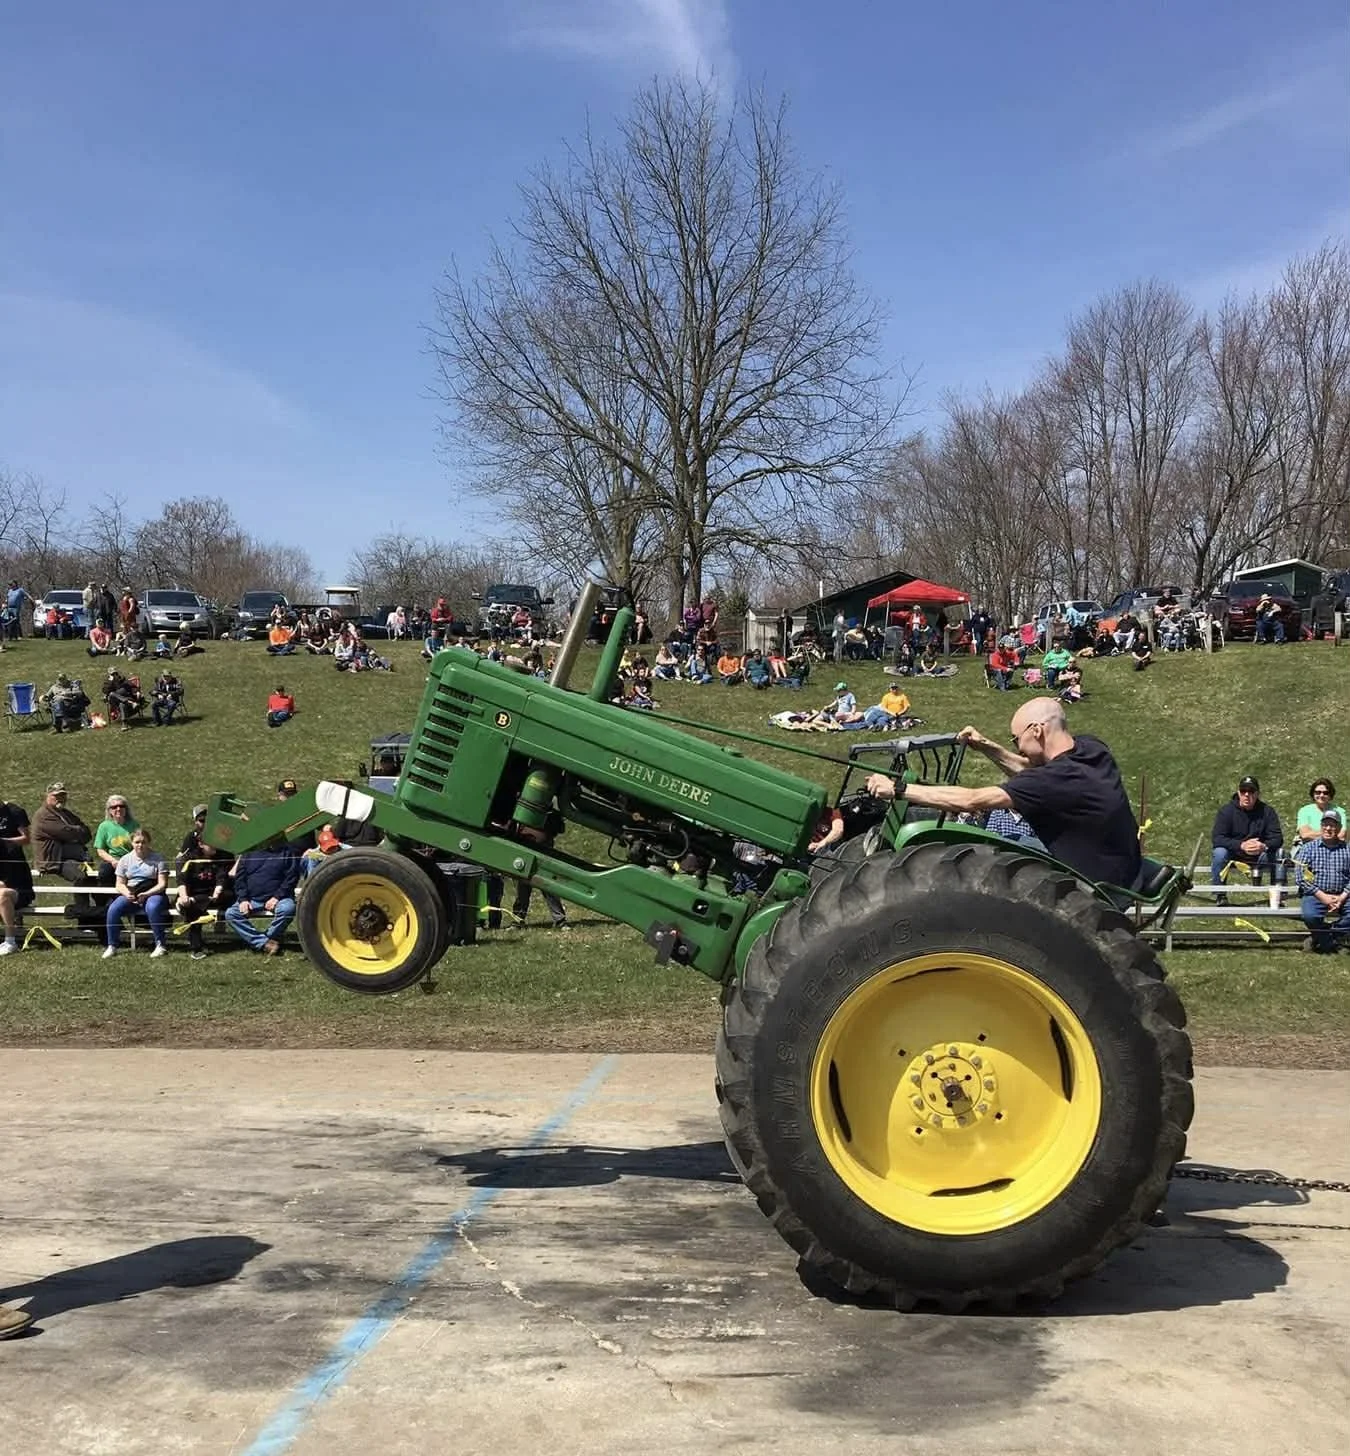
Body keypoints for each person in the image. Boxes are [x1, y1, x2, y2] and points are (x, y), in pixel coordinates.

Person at [866, 697, 1142, 888]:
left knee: (979, 851)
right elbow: (1030, 771)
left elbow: (971, 801)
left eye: (1016, 739)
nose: (1017, 746)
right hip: (1123, 868)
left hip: (1094, 885)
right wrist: (986, 746)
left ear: (1037, 730)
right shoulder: (1091, 748)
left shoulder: (1054, 779)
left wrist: (897, 789)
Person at [225, 837, 303, 955]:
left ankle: (268, 938)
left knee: (288, 909)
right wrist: (243, 900)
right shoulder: (249, 853)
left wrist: (276, 897)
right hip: (252, 899)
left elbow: (291, 879)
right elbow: (240, 879)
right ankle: (263, 943)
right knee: (231, 914)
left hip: (279, 898)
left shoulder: (287, 853)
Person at [176, 805, 234, 959]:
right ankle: (196, 948)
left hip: (213, 894)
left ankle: (195, 903)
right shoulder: (190, 857)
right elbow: (182, 877)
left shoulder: (219, 857)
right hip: (195, 893)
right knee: (192, 910)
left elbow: (222, 875)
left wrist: (218, 889)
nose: (215, 845)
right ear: (200, 844)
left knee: (227, 895)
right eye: (210, 843)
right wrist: (183, 896)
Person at [1211, 774, 1284, 896]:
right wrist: (1241, 845)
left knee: (1280, 854)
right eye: (1243, 791)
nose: (1247, 794)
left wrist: (1263, 846)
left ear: (1257, 794)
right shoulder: (1226, 811)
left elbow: (1277, 838)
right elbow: (1217, 838)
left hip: (1260, 855)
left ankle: (1277, 896)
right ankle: (1220, 895)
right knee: (1219, 853)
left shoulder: (1267, 812)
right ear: (1238, 793)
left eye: (1251, 791)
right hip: (1234, 855)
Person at [103, 827, 169, 958]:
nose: (140, 845)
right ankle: (112, 945)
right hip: (132, 892)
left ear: (149, 842)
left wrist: (147, 894)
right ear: (132, 843)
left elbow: (162, 884)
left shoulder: (158, 859)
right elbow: (119, 884)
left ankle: (160, 944)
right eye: (137, 842)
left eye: (143, 842)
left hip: (153, 892)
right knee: (113, 909)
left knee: (153, 907)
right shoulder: (125, 860)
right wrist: (127, 893)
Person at [1293, 811, 1350, 952]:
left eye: (1332, 825)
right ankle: (1330, 942)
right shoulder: (1307, 849)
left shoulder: (1347, 849)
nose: (1328, 828)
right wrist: (1323, 896)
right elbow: (1300, 877)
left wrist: (1342, 896)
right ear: (1321, 826)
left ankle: (1321, 937)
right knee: (1310, 916)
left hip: (1343, 895)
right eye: (1325, 824)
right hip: (1315, 894)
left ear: (1339, 828)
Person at [32, 782, 95, 902]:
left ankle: (99, 909)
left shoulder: (65, 814)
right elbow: (66, 832)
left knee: (93, 875)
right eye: (56, 796)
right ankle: (82, 910)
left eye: (62, 795)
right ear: (48, 796)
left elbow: (87, 833)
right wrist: (75, 831)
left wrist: (73, 831)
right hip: (54, 861)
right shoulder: (43, 815)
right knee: (80, 875)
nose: (60, 798)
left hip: (72, 858)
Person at [0, 793, 34, 956]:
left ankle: (10, 941)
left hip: (19, 888)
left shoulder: (14, 811)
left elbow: (27, 839)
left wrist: (5, 842)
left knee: (2, 894)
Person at [93, 794, 139, 886]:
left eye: (121, 806)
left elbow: (139, 845)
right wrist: (113, 861)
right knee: (105, 874)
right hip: (112, 860)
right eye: (114, 807)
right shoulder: (104, 826)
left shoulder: (134, 825)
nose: (118, 809)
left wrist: (127, 860)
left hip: (131, 859)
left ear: (126, 809)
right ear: (110, 811)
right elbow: (100, 850)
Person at [1296, 778, 1346, 843]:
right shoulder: (1304, 811)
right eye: (1318, 792)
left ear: (1330, 795)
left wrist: (1314, 833)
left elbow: (1341, 836)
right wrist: (1331, 833)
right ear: (1313, 794)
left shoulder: (1340, 811)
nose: (1321, 795)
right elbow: (1305, 835)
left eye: (1325, 793)